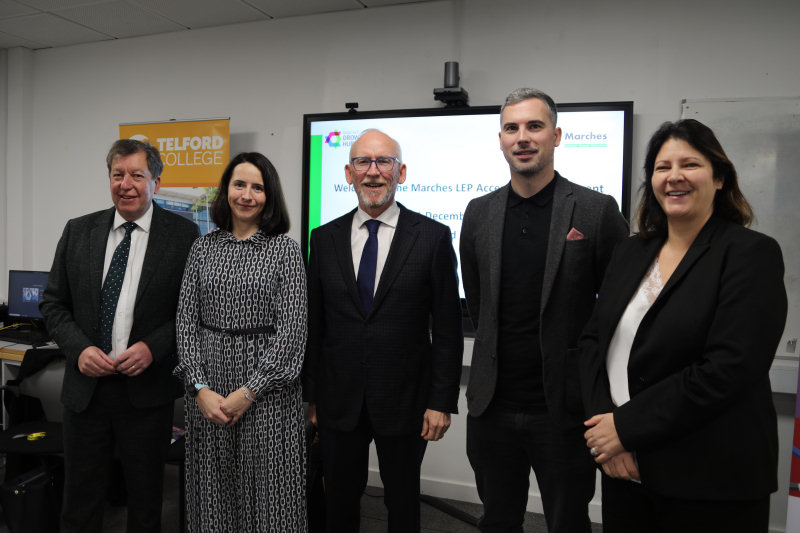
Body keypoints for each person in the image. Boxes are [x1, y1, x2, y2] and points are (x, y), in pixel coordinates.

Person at [581, 119, 787, 532]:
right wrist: (606, 431)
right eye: (662, 167)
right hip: (624, 467)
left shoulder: (750, 254)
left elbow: (730, 368)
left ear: (719, 178)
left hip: (708, 476)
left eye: (690, 164)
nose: (674, 176)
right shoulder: (631, 251)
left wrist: (626, 428)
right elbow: (592, 342)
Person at [460, 88, 628, 532]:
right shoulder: (478, 213)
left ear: (556, 136)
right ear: (500, 139)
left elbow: (618, 309)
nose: (523, 137)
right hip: (492, 409)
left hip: (565, 411)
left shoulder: (595, 211)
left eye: (534, 126)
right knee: (498, 521)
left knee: (568, 522)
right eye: (511, 128)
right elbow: (479, 303)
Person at [303, 129, 463, 532]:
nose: (373, 172)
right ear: (349, 173)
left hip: (407, 402)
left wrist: (441, 401)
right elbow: (315, 325)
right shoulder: (323, 239)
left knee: (403, 504)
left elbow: (448, 328)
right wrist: (312, 396)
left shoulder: (432, 237)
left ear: (401, 172)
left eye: (384, 162)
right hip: (338, 401)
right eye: (363, 162)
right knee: (339, 503)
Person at [39, 139, 199, 532]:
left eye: (136, 175)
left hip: (145, 394)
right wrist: (79, 350)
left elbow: (191, 312)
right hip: (86, 393)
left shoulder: (183, 236)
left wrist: (153, 348)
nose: (125, 184)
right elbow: (53, 304)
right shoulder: (79, 231)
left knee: (145, 504)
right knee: (80, 502)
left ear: (156, 183)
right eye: (117, 174)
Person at [173, 152, 308, 532]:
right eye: (239, 185)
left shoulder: (285, 250)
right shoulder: (202, 248)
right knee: (214, 496)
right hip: (209, 396)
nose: (247, 195)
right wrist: (199, 389)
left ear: (270, 195)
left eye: (257, 187)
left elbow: (293, 333)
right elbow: (185, 322)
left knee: (270, 500)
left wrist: (248, 393)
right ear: (226, 190)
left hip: (268, 398)